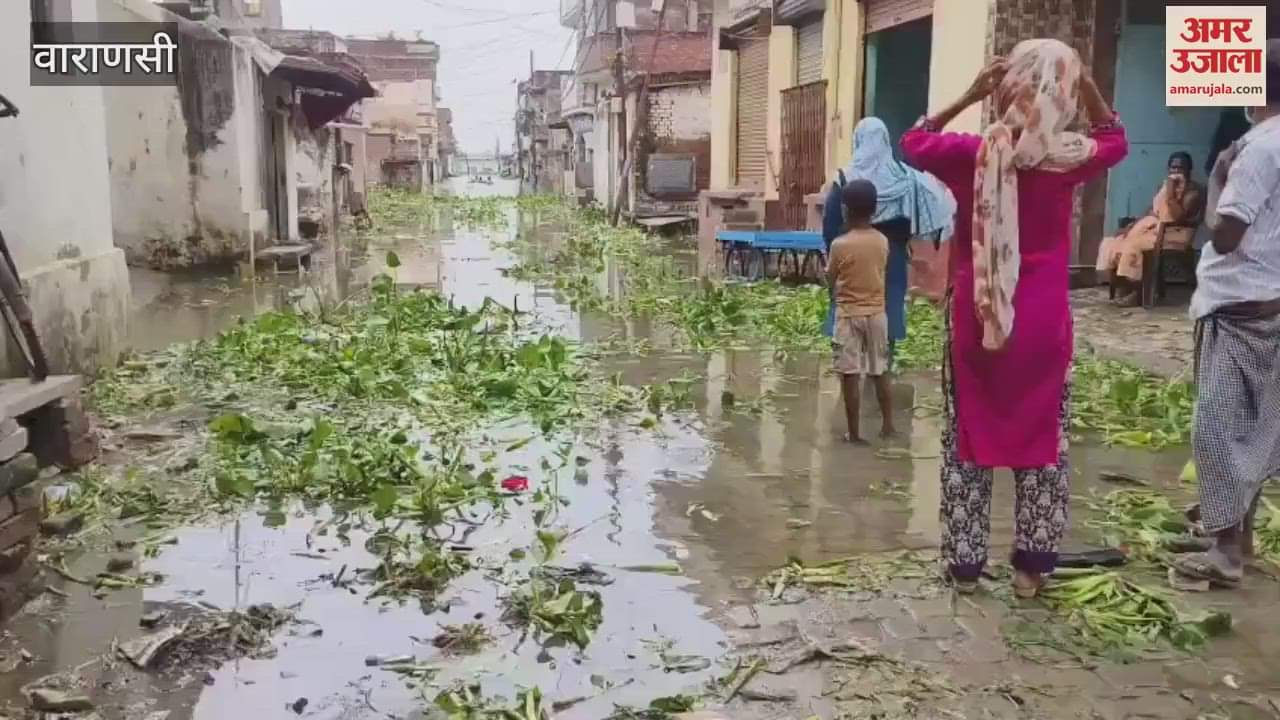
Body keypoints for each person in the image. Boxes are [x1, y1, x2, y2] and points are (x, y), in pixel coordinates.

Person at [900, 39, 1128, 597]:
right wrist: (1088, 82)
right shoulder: (1067, 156)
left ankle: (965, 566)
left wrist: (966, 96)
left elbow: (912, 142)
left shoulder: (972, 154)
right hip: (1043, 323)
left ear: (1004, 90)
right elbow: (1115, 139)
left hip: (979, 318)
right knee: (1043, 445)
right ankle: (1030, 571)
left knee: (967, 440)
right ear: (1063, 93)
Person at [1171, 41, 1280, 588]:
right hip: (1270, 303)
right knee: (1255, 430)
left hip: (1238, 307)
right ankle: (1241, 535)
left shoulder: (1256, 151)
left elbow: (1225, 234)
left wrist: (1216, 177)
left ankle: (1225, 551)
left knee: (1215, 430)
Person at [821, 118, 957, 363]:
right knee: (888, 312)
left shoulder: (845, 178)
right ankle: (883, 367)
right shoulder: (905, 178)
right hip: (891, 258)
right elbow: (927, 207)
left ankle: (849, 368)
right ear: (886, 141)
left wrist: (834, 253)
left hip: (851, 258)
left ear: (857, 141)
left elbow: (830, 225)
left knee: (848, 311)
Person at [827, 179, 895, 443]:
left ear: (845, 209)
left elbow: (831, 278)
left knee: (850, 374)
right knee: (880, 370)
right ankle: (888, 426)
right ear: (875, 209)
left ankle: (854, 433)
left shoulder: (839, 244)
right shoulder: (882, 241)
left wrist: (832, 294)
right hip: (877, 314)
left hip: (848, 314)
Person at [1095, 152, 1205, 305]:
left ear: (1188, 170)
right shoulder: (1164, 186)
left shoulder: (1193, 192)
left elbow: (1177, 217)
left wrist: (1171, 194)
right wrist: (1134, 225)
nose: (1175, 172)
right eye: (1172, 168)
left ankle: (1139, 294)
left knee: (1134, 246)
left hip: (1174, 234)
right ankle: (1127, 286)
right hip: (1154, 230)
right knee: (1114, 242)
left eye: (1180, 168)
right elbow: (1153, 210)